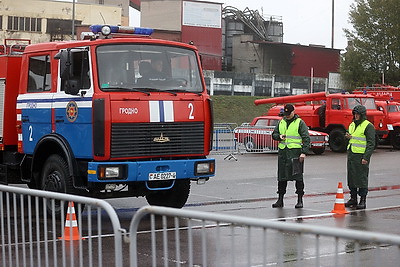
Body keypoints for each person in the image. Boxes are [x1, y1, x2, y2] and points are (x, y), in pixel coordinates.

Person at [271, 104, 310, 208]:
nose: (287, 116)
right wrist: (279, 136)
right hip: (283, 154)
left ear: (293, 112)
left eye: (289, 114)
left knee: (298, 177)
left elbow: (306, 138)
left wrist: (304, 152)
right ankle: (280, 200)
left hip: (295, 153)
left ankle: (300, 200)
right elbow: (274, 134)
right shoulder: (281, 122)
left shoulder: (300, 123)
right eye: (286, 114)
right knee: (281, 177)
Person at [344, 105, 375, 209]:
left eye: (358, 114)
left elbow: (371, 144)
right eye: (355, 114)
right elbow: (351, 135)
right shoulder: (352, 124)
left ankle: (362, 199)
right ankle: (353, 198)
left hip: (361, 155)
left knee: (361, 178)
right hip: (352, 154)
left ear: (362, 115)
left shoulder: (368, 126)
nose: (356, 116)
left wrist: (366, 157)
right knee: (351, 177)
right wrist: (347, 137)